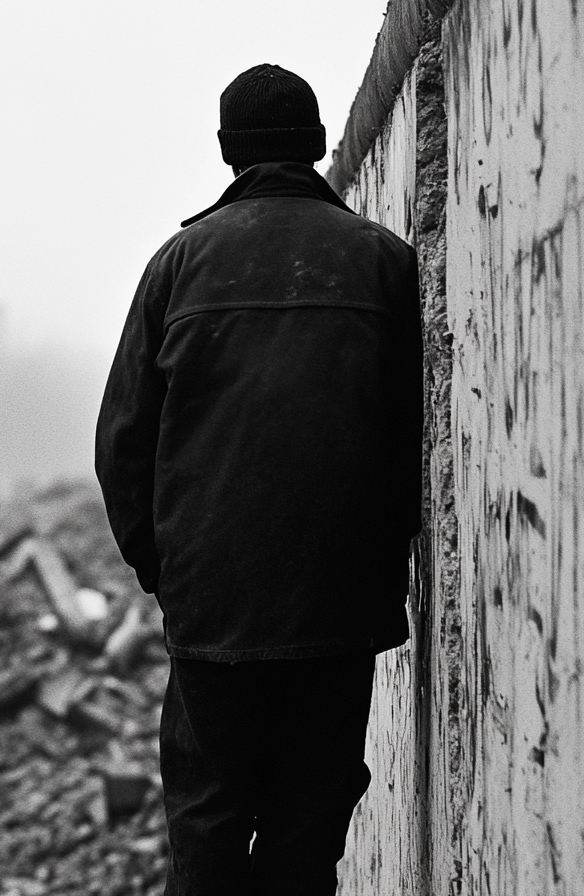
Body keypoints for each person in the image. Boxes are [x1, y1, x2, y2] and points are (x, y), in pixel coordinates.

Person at [95, 64, 422, 896]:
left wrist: (164, 570)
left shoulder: (177, 266)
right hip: (338, 608)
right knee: (305, 840)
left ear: (225, 150)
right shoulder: (385, 264)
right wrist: (379, 561)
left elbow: (122, 443)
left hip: (213, 610)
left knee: (206, 833)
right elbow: (408, 438)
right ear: (315, 146)